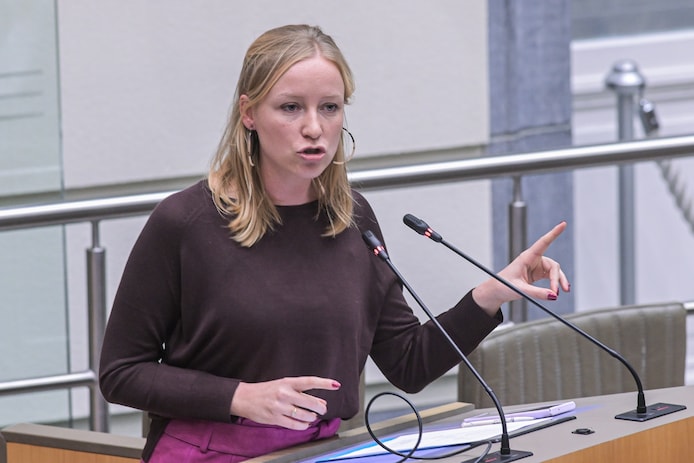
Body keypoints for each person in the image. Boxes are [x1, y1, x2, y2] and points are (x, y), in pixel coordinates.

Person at [99, 24, 570, 462]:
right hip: (207, 452)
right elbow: (121, 372)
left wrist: (491, 294)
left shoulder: (352, 217)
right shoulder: (185, 222)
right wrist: (240, 397)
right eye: (290, 107)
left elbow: (407, 363)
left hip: (321, 452)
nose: (314, 128)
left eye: (329, 107)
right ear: (249, 113)